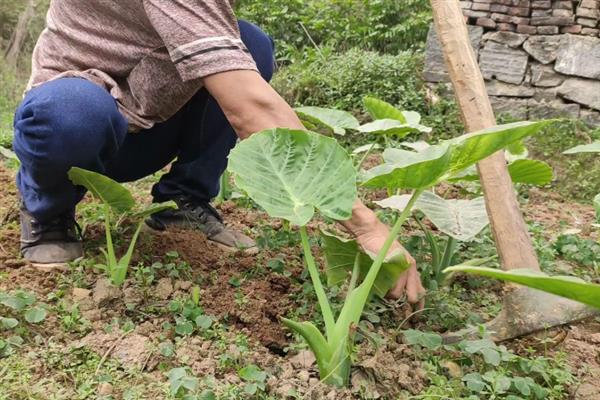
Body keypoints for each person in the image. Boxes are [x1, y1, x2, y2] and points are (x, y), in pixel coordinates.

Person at [13, 1, 425, 306]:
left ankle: (183, 199)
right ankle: (49, 211)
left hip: (148, 124)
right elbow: (251, 108)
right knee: (71, 112)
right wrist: (366, 225)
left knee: (249, 43)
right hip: (76, 132)